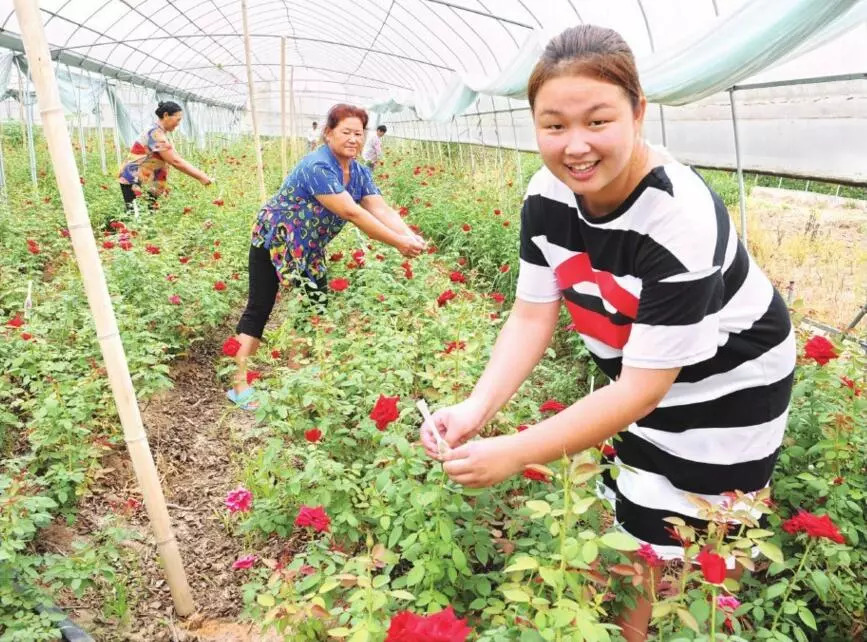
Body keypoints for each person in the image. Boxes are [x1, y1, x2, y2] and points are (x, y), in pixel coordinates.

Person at [420, 25, 794, 641]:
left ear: (638, 112)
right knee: (636, 534)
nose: (575, 146)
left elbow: (643, 392)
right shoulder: (546, 196)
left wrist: (514, 453)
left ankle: (695, 618)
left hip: (731, 385)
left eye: (598, 121)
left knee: (703, 539)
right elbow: (531, 315)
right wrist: (475, 410)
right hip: (641, 373)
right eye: (553, 124)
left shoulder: (677, 217)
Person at [227, 104, 426, 409]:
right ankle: (238, 385)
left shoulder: (358, 171)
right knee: (260, 307)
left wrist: (409, 235)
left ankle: (300, 378)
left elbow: (379, 208)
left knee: (315, 309)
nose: (353, 139)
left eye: (359, 133)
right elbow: (351, 212)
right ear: (329, 133)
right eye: (346, 132)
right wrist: (398, 243)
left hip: (309, 249)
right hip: (275, 240)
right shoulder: (317, 166)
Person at [117, 101, 212, 212]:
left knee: (147, 215)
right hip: (134, 179)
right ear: (166, 115)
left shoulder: (159, 132)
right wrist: (201, 177)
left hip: (146, 180)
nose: (178, 123)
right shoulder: (155, 134)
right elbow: (175, 161)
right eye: (178, 119)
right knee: (137, 217)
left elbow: (176, 157)